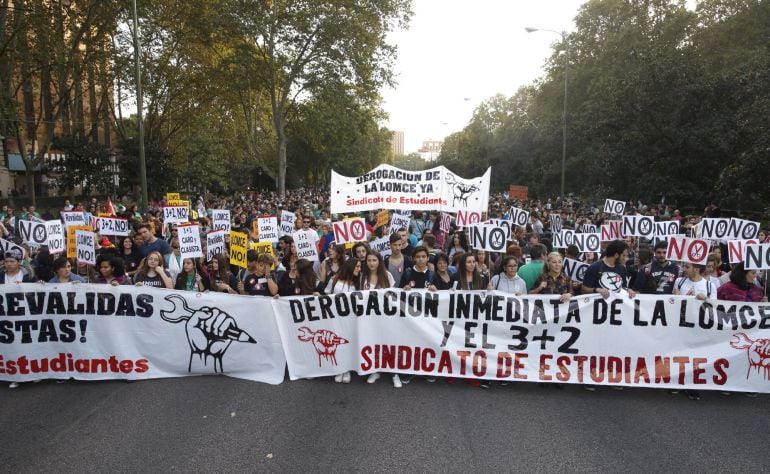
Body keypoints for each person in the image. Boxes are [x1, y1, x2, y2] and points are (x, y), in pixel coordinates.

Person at [326, 258, 362, 384]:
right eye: (357, 266)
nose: (359, 269)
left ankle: (346, 369)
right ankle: (338, 369)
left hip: (351, 318)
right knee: (336, 343)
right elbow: (326, 295)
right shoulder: (334, 279)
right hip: (335, 317)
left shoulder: (357, 283)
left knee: (347, 343)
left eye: (359, 266)